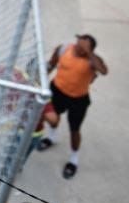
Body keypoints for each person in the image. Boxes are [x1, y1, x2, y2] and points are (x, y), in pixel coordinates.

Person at [36, 34, 107, 179]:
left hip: (78, 99)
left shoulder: (92, 60)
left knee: (75, 130)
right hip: (56, 91)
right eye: (77, 44)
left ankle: (73, 160)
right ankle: (52, 137)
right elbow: (51, 64)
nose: (77, 48)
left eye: (82, 48)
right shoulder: (63, 49)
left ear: (89, 50)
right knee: (53, 117)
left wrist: (89, 54)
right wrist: (40, 80)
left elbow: (104, 71)